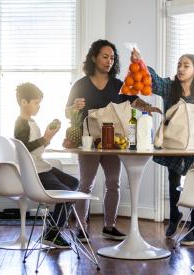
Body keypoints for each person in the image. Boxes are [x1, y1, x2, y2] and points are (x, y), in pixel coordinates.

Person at [65, 39, 161, 242]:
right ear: (94, 57)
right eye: (105, 56)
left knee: (113, 183)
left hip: (114, 141)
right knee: (85, 185)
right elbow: (67, 112)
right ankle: (81, 228)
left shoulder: (118, 84)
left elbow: (134, 101)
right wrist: (74, 107)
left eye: (112, 58)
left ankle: (109, 226)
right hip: (89, 141)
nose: (109, 61)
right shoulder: (80, 85)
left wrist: (148, 107)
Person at [132, 49, 194, 245]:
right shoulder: (169, 87)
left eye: (186, 65)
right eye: (179, 65)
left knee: (193, 182)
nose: (181, 69)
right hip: (174, 143)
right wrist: (140, 62)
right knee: (173, 177)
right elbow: (153, 81)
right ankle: (174, 215)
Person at [14, 82, 78, 249]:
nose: (38, 107)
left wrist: (48, 138)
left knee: (73, 183)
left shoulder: (31, 122)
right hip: (36, 171)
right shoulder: (21, 123)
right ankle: (52, 234)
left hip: (42, 166)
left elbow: (36, 148)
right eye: (36, 103)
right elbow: (24, 149)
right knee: (68, 194)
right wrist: (44, 138)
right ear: (23, 102)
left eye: (39, 103)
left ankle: (51, 229)